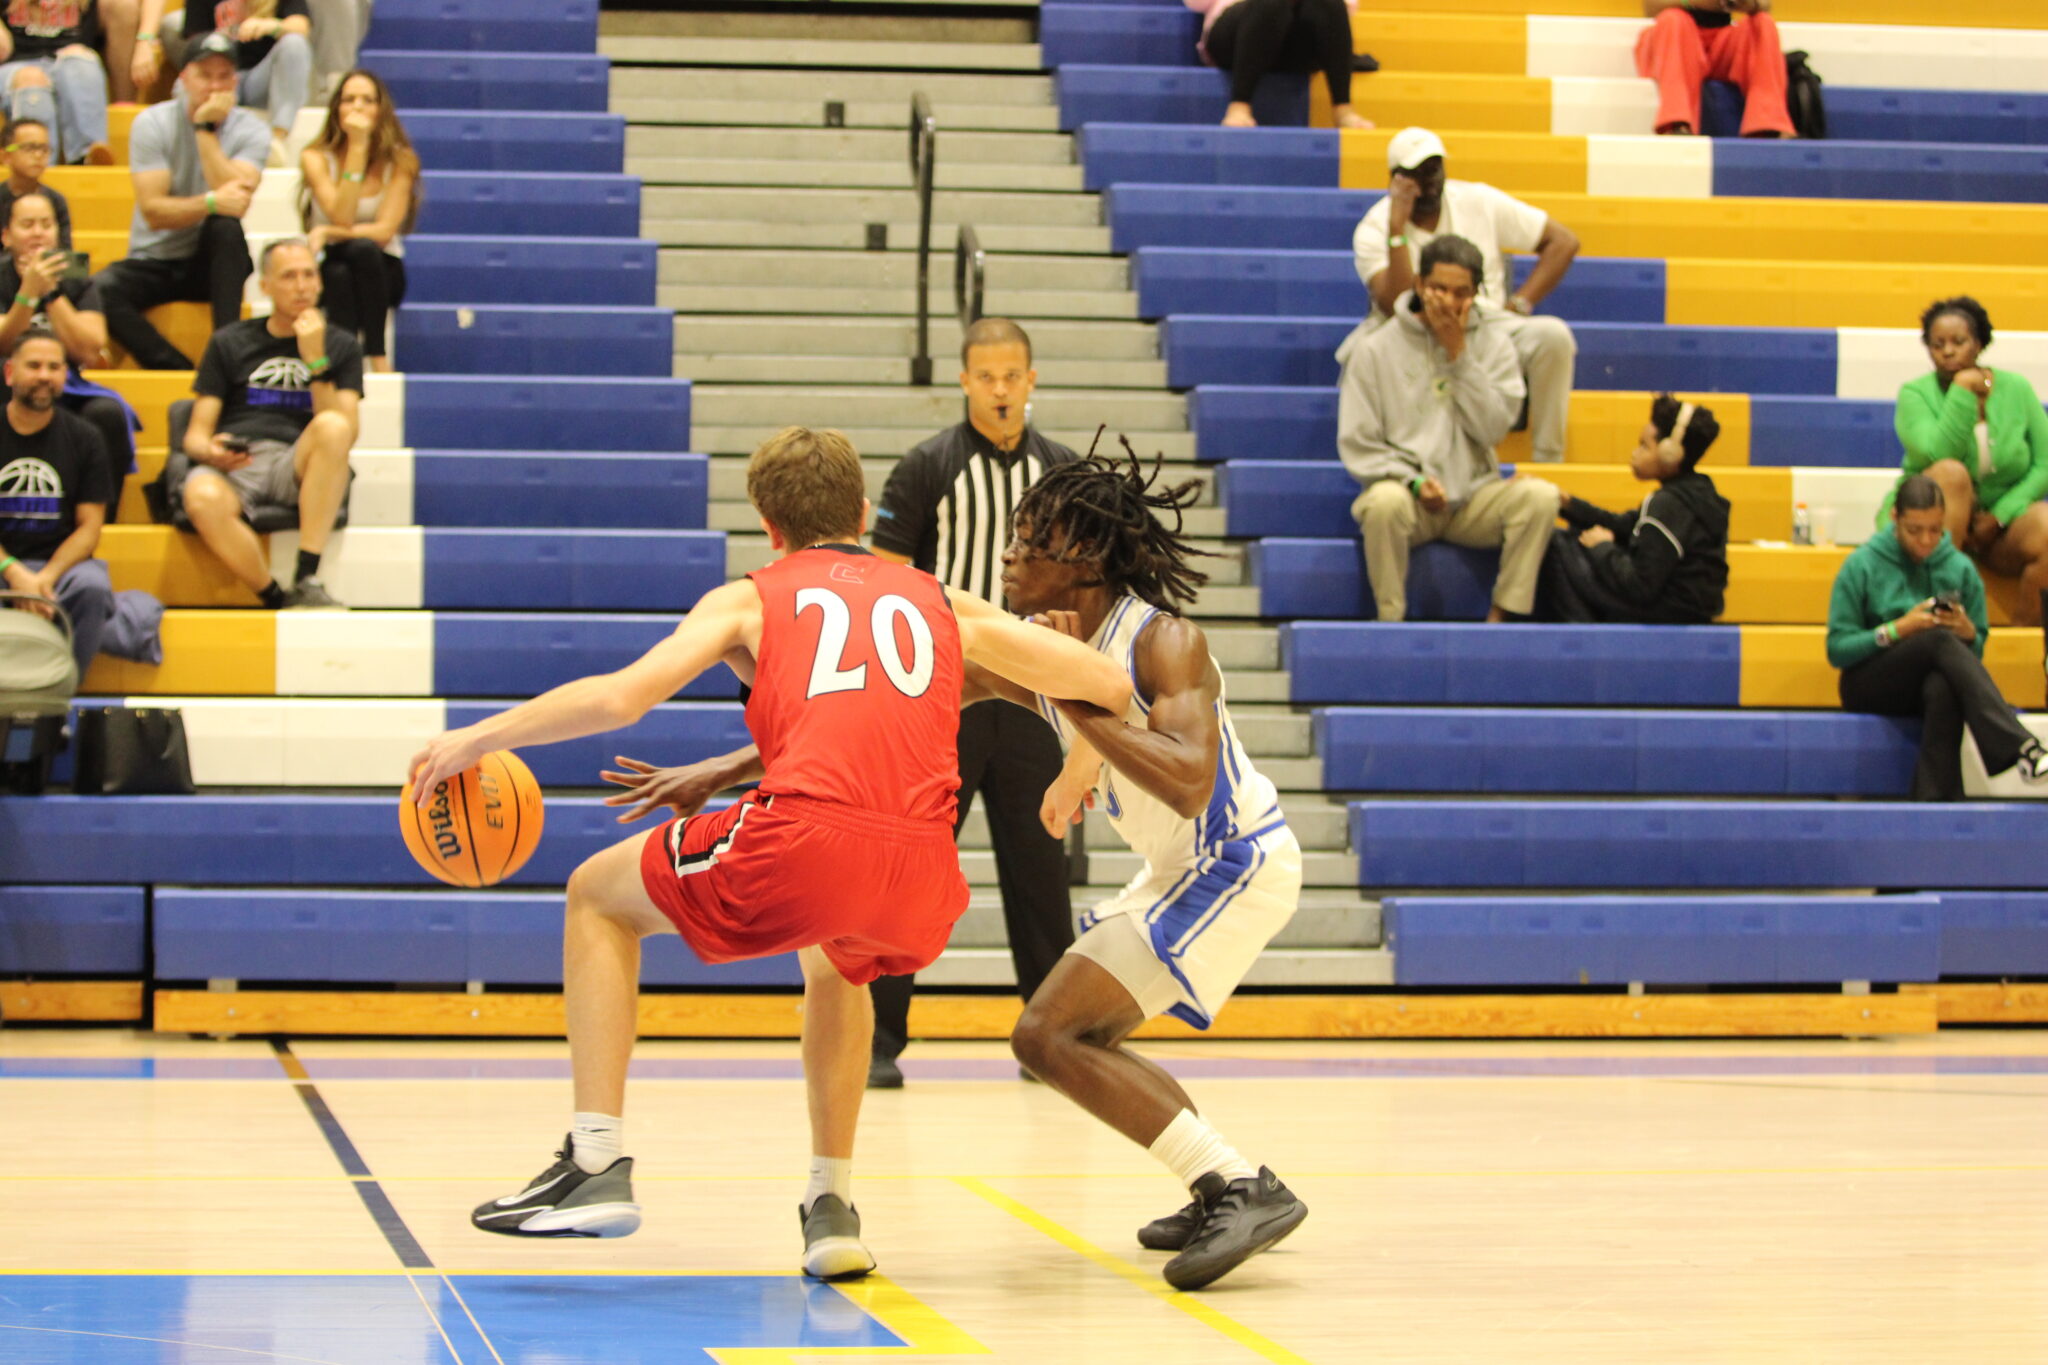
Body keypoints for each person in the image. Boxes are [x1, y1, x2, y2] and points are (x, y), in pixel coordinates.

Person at [406, 426, 1133, 1278]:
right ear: (863, 512)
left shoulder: (748, 599)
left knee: (596, 895)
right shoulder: (942, 600)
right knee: (837, 958)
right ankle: (832, 1206)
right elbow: (1108, 683)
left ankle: (593, 1159)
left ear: (768, 524)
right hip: (924, 877)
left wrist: (476, 738)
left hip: (805, 844)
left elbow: (620, 698)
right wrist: (1077, 770)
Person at [968, 448, 1308, 1292]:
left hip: (1233, 858)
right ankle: (1220, 1182)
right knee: (1072, 1035)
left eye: (1028, 540)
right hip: (1176, 869)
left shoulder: (1165, 639)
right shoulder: (1060, 646)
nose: (1009, 554)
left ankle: (1236, 1184)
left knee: (1046, 1033)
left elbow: (1190, 781)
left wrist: (1076, 702)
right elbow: (943, 674)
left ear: (1083, 553)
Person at [1338, 233, 1560, 623]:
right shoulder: (1373, 349)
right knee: (1382, 504)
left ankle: (1503, 615)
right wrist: (1413, 481)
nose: (1449, 302)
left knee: (1540, 497)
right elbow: (1359, 443)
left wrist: (1459, 355)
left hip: (1475, 497)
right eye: (1438, 288)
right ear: (1418, 284)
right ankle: (1391, 620)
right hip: (1411, 498)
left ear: (1476, 294)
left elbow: (1493, 429)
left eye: (1461, 293)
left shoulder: (1495, 345)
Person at [1353, 127, 1579, 463]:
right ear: (1395, 179)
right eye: (1416, 173)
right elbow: (1395, 304)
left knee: (1553, 336)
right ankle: (1405, 462)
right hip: (1415, 332)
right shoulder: (1374, 227)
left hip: (1484, 322)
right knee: (1363, 350)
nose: (1429, 181)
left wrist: (1519, 304)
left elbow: (1564, 242)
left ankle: (1549, 460)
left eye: (1434, 168)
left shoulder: (1479, 201)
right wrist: (1396, 230)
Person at [1829, 474, 2047, 801]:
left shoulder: (1960, 567)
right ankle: (2021, 746)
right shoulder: (1862, 564)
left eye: (1935, 530)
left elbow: (1973, 656)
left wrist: (1970, 635)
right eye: (1914, 530)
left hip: (1930, 680)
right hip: (1869, 681)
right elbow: (1837, 649)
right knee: (1938, 640)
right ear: (1895, 518)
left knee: (1944, 686)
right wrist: (1899, 629)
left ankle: (1932, 803)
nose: (1926, 540)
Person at [175, 237, 358, 610]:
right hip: (239, 460)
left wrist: (316, 361)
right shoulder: (230, 341)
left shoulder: (341, 345)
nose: (302, 286)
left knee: (334, 426)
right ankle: (275, 596)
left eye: (309, 275)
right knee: (200, 497)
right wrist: (210, 451)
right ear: (265, 286)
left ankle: (307, 576)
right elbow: (195, 435)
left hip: (298, 463)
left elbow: (346, 431)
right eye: (289, 276)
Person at [94, 31, 265, 371]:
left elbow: (236, 201)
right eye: (205, 75)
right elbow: (154, 211)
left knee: (226, 228)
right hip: (155, 258)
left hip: (212, 264)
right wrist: (211, 202)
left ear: (235, 81)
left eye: (223, 76)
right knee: (97, 290)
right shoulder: (152, 123)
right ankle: (176, 368)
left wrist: (204, 130)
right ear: (184, 77)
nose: (214, 86)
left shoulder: (252, 130)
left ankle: (227, 356)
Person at [1894, 295, 2048, 627]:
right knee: (1952, 474)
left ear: (1978, 343)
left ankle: (2021, 638)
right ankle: (1939, 620)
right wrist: (1962, 390)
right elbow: (1936, 454)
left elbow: (2044, 464)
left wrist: (2000, 516)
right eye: (1937, 345)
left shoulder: (2016, 388)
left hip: (2002, 528)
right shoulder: (1915, 394)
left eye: (1958, 342)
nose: (1947, 351)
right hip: (1932, 527)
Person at [1542, 394, 1729, 624]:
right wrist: (1566, 503)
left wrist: (1603, 549)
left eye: (1644, 446)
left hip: (1666, 613)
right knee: (1576, 538)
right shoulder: (1697, 494)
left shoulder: (1667, 504)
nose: (1635, 453)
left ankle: (1584, 637)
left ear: (1669, 454)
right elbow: (1623, 525)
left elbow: (1640, 586)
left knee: (1559, 543)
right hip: (1687, 610)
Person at [0, 189, 134, 508]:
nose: (38, 233)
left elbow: (89, 350)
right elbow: (4, 344)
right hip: (8, 384)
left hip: (64, 386)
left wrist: (51, 294)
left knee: (108, 414)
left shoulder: (76, 278)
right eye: (27, 224)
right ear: (6, 236)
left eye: (46, 224)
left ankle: (100, 518)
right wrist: (27, 294)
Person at [0, 327, 112, 677]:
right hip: (4, 563)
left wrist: (43, 580)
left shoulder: (86, 437)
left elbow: (90, 528)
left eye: (54, 367)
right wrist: (15, 573)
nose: (44, 376)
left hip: (61, 568)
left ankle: (62, 689)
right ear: (9, 372)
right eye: (34, 366)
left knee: (93, 587)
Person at [300, 69, 415, 374]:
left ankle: (373, 354)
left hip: (383, 268)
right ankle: (354, 360)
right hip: (330, 263)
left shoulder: (402, 160)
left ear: (381, 109)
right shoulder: (315, 157)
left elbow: (384, 232)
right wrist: (357, 147)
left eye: (367, 100)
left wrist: (328, 231)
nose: (358, 107)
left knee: (363, 249)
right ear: (336, 108)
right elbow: (343, 214)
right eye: (349, 99)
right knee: (338, 273)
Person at [163, 1, 312, 167]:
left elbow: (302, 26)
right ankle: (189, 144)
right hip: (221, 74)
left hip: (263, 78)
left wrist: (272, 26)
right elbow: (195, 45)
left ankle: (276, 140)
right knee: (183, 83)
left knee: (294, 43)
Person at [1186, 0, 1372, 131]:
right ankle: (1239, 105)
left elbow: (1346, 8)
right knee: (1270, 3)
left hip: (1297, 39)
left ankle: (1343, 109)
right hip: (1233, 36)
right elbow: (1196, 3)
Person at [1636, 1, 1794, 139]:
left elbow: (1765, 5)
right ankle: (1676, 125)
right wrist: (1694, 3)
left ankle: (1767, 125)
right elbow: (1651, 7)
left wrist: (1751, 4)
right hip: (1676, 37)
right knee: (1672, 19)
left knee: (1763, 21)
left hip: (1722, 40)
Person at [0, 1, 112, 166]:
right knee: (31, 77)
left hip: (67, 63)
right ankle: (38, 163)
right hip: (15, 65)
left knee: (81, 62)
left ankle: (88, 157)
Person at [0, 117, 70, 248]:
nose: (38, 155)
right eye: (29, 148)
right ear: (6, 156)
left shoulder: (56, 200)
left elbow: (65, 251)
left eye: (44, 149)